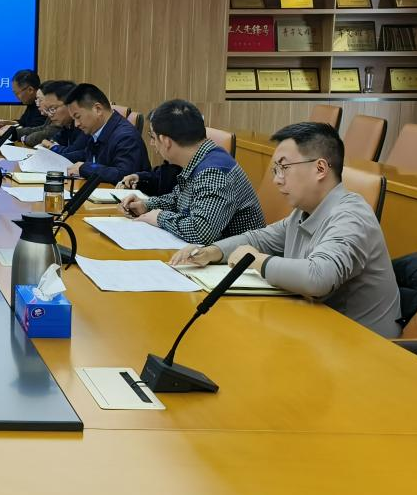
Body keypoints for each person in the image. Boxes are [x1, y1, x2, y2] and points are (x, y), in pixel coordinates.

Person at [170, 122, 399, 338]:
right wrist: (212, 251)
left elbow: (318, 277)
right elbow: (259, 238)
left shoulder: (351, 215)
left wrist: (255, 260)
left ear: (320, 168)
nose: (277, 180)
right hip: (317, 331)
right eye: (276, 170)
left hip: (363, 345)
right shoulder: (303, 212)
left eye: (284, 168)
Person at [117, 100, 264, 244]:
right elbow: (180, 199)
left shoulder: (214, 172)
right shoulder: (203, 155)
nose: (151, 143)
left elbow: (201, 231)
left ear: (166, 141)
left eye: (153, 137)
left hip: (237, 256)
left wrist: (160, 217)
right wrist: (146, 205)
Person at [62, 83, 149, 185]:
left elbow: (124, 175)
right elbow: (87, 155)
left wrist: (85, 168)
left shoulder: (126, 137)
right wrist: (59, 158)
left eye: (78, 117)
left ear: (98, 109)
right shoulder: (97, 129)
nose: (76, 124)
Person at [19, 80, 83, 151]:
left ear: (69, 104)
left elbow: (77, 152)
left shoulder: (82, 125)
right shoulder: (66, 126)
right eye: (48, 109)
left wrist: (53, 147)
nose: (49, 115)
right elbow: (54, 142)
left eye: (52, 109)